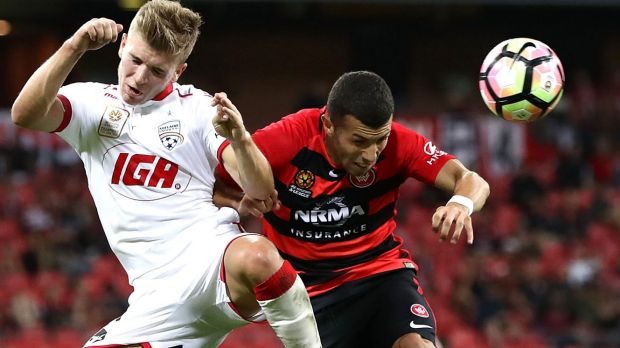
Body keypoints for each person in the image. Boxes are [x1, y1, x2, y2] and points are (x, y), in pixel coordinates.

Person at [10, 1, 322, 347]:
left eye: (158, 71)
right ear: (123, 44)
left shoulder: (199, 108)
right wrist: (74, 46)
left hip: (209, 262)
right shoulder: (91, 105)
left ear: (179, 71)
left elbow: (261, 189)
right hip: (155, 297)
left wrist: (240, 137)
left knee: (259, 257)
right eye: (136, 60)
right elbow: (24, 115)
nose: (140, 78)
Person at [215, 71, 490, 348]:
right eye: (359, 141)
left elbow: (470, 180)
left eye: (379, 140)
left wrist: (460, 203)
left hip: (380, 275)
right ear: (329, 124)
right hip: (310, 294)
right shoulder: (286, 139)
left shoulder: (399, 143)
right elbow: (212, 185)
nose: (371, 155)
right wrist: (237, 201)